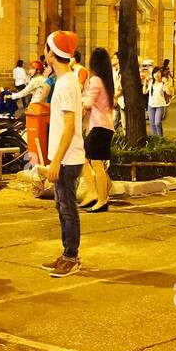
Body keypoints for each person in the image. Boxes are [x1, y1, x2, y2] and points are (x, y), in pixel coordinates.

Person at [36, 31, 85, 276]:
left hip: (66, 159)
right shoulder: (66, 80)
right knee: (62, 206)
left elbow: (69, 125)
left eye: (46, 48)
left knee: (67, 209)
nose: (44, 52)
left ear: (52, 54)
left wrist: (56, 161)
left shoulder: (66, 83)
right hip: (65, 157)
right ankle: (67, 253)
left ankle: (71, 257)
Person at [79, 46, 115, 214]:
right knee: (87, 158)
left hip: (100, 126)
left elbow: (88, 103)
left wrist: (78, 101)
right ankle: (95, 195)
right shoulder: (107, 81)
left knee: (97, 164)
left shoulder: (96, 80)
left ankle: (101, 200)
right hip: (105, 126)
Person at [144, 65, 171, 138]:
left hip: (160, 105)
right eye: (155, 73)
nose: (157, 75)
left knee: (157, 122)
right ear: (153, 74)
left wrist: (166, 83)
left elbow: (169, 93)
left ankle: (160, 138)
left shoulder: (162, 83)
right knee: (152, 124)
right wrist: (145, 82)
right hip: (151, 105)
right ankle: (155, 139)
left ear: (161, 74)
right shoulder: (151, 82)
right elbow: (144, 92)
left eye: (159, 73)